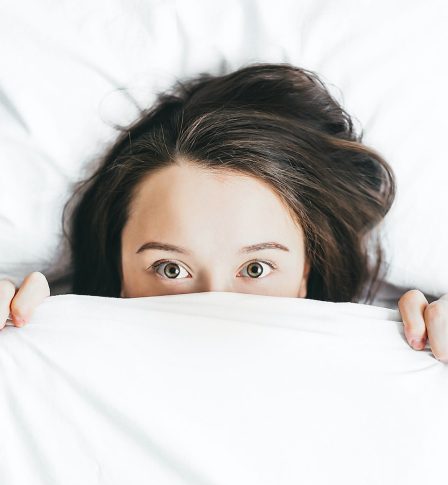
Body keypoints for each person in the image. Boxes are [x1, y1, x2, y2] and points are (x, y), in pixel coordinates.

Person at [0, 62, 446, 361]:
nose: (214, 305)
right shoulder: (54, 362)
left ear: (308, 269)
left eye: (255, 268)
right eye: (170, 269)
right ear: (117, 271)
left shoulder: (387, 361)